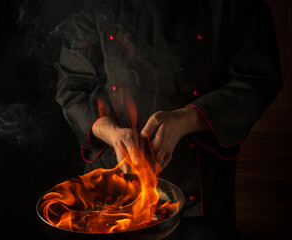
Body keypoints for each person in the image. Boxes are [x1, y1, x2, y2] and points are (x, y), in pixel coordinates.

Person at [55, 0, 282, 238]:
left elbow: (258, 79)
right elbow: (72, 87)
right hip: (110, 186)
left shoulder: (236, 7)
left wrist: (185, 120)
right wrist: (112, 133)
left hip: (200, 191)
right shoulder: (91, 5)